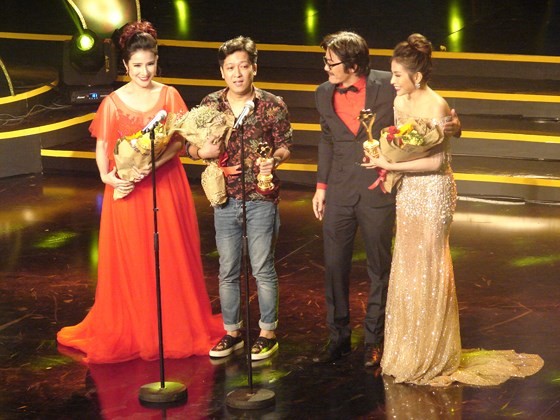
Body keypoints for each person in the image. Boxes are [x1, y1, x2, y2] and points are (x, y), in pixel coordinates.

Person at [363, 33, 543, 385]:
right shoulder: (400, 103)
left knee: (430, 266)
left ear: (416, 76)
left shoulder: (437, 106)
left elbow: (434, 163)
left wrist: (390, 164)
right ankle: (408, 351)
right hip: (409, 192)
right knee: (408, 266)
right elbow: (404, 145)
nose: (393, 80)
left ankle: (434, 354)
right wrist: (384, 157)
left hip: (433, 193)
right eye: (392, 73)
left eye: (398, 74)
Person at [57, 21, 224, 363]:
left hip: (165, 185)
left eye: (149, 64)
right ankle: (135, 328)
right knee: (134, 258)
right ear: (125, 67)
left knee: (169, 254)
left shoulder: (169, 95)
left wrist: (153, 164)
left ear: (156, 61)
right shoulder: (113, 103)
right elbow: (103, 148)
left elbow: (178, 142)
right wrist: (110, 178)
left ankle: (176, 327)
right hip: (128, 191)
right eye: (136, 66)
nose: (143, 71)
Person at [312, 31, 462, 367]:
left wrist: (454, 126)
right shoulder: (323, 93)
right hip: (338, 191)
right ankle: (338, 337)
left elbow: (426, 125)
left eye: (331, 62)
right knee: (334, 266)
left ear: (352, 64)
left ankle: (374, 340)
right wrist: (321, 187)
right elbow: (326, 141)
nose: (326, 68)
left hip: (378, 190)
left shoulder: (389, 85)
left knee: (380, 268)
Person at [187, 36, 292, 361]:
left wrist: (272, 160)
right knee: (228, 269)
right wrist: (201, 152)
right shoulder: (209, 106)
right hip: (224, 199)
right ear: (222, 72)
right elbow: (190, 147)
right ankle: (232, 331)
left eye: (243, 66)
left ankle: (267, 333)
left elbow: (285, 144)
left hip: (261, 197)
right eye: (230, 67)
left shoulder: (272, 104)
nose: (237, 73)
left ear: (254, 68)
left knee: (262, 268)